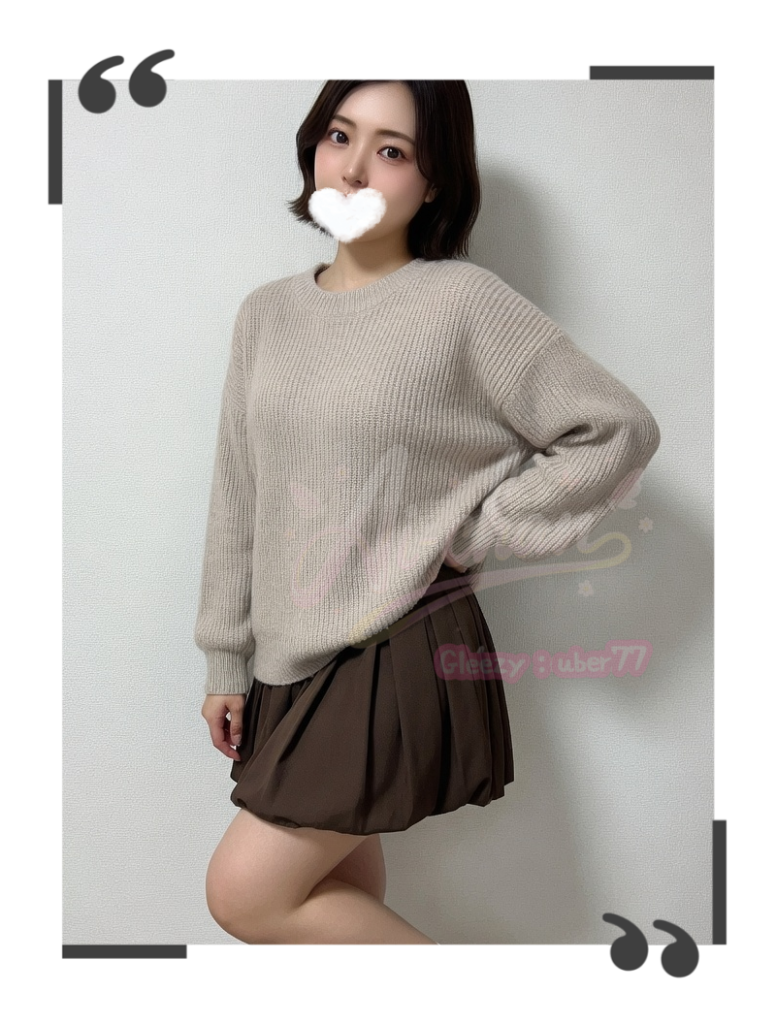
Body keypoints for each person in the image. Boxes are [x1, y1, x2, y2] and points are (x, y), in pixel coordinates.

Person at [195, 80, 661, 945]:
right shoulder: (266, 314)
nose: (353, 168)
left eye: (392, 150)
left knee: (246, 896)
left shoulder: (462, 303)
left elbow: (615, 430)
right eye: (340, 135)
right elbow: (239, 488)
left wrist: (473, 534)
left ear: (434, 179)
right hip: (288, 653)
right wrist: (227, 656)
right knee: (332, 890)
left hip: (392, 637)